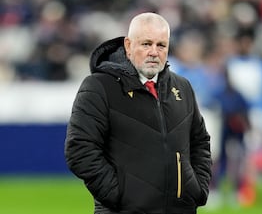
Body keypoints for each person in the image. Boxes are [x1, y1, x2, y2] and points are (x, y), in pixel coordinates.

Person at [64, 12, 212, 214]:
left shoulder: (182, 87)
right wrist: (120, 196)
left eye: (161, 45)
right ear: (128, 45)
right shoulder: (99, 86)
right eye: (146, 44)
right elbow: (80, 149)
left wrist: (197, 190)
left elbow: (200, 141)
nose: (154, 52)